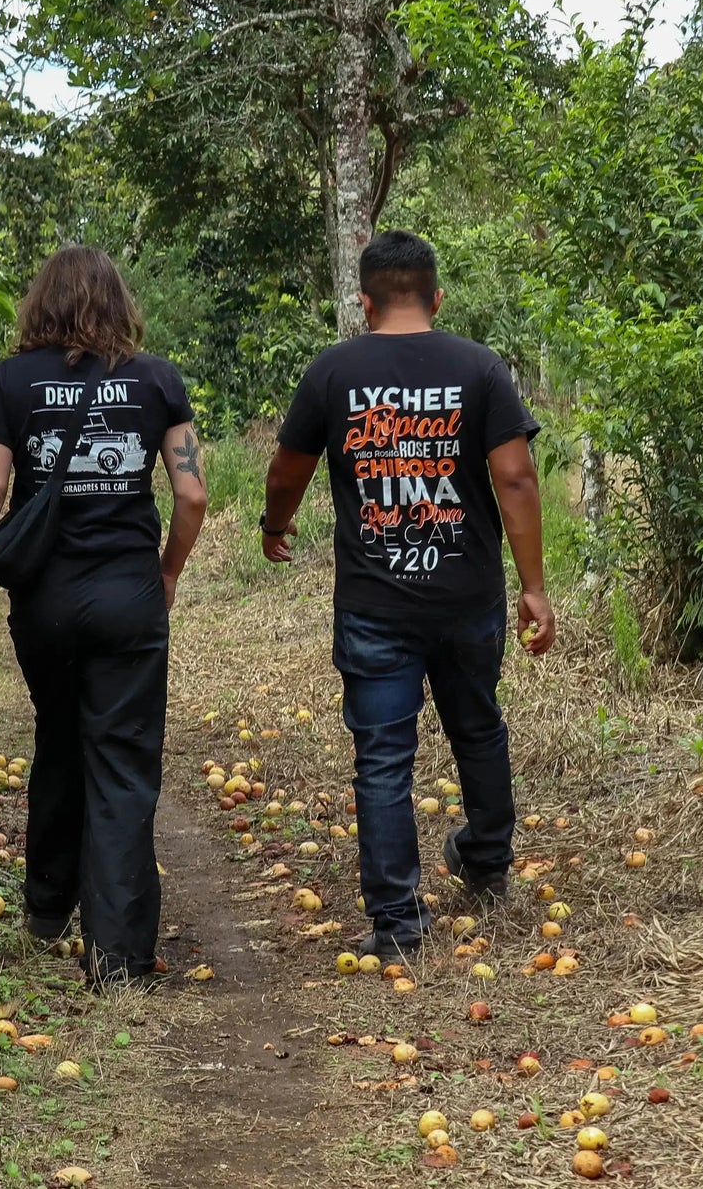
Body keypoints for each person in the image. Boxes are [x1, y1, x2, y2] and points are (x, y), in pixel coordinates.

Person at [259, 230, 552, 961]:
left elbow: (288, 467)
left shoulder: (333, 372)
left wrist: (275, 523)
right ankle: (486, 863)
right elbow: (515, 478)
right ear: (437, 296)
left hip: (375, 603)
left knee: (382, 758)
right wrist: (535, 587)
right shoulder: (479, 368)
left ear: (364, 303)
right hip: (468, 594)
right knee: (477, 728)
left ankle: (396, 924)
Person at [0, 246, 208, 986]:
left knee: (61, 735)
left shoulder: (11, 381)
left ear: (40, 304)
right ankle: (117, 955)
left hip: (45, 603)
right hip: (127, 595)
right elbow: (192, 495)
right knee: (120, 761)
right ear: (120, 304)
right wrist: (168, 572)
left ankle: (47, 905)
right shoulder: (156, 379)